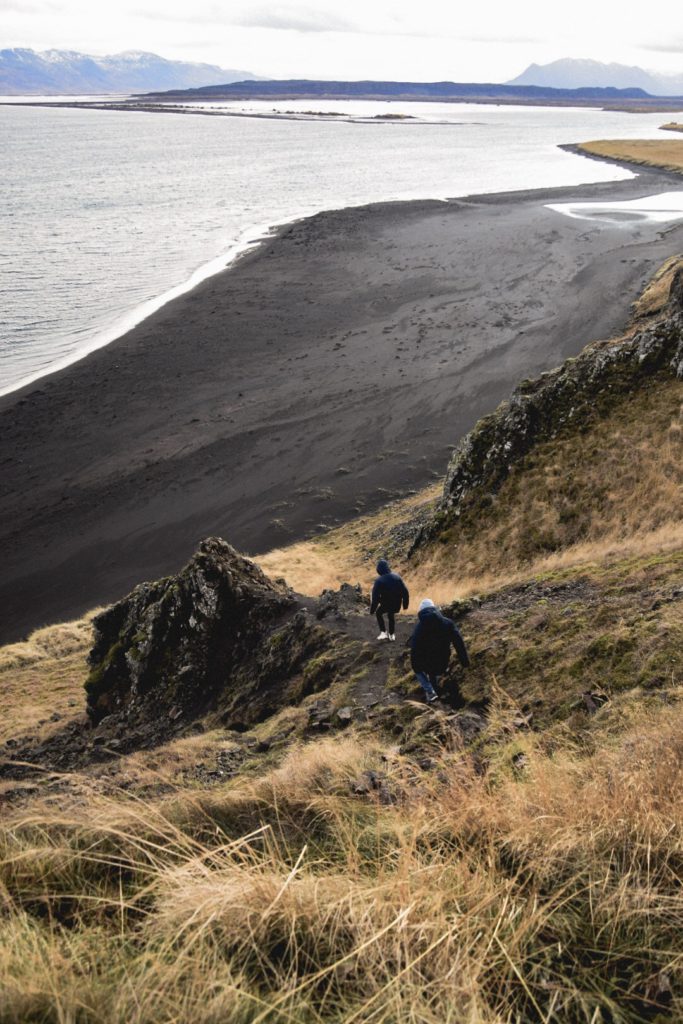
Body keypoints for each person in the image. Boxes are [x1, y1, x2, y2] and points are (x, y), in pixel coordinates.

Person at [409, 598, 470, 703]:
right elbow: (459, 643)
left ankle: (430, 691)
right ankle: (438, 689)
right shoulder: (448, 623)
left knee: (419, 669)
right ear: (435, 609)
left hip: (426, 663)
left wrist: (415, 665)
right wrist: (464, 661)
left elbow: (414, 648)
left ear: (421, 612)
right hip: (443, 661)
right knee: (434, 671)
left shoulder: (419, 628)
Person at [370, 559, 409, 641]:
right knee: (391, 615)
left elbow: (375, 598)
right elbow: (405, 592)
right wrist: (405, 605)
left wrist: (372, 610)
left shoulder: (379, 581)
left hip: (386, 604)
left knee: (378, 613)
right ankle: (392, 635)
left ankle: (383, 632)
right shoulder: (397, 577)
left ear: (379, 569)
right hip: (396, 604)